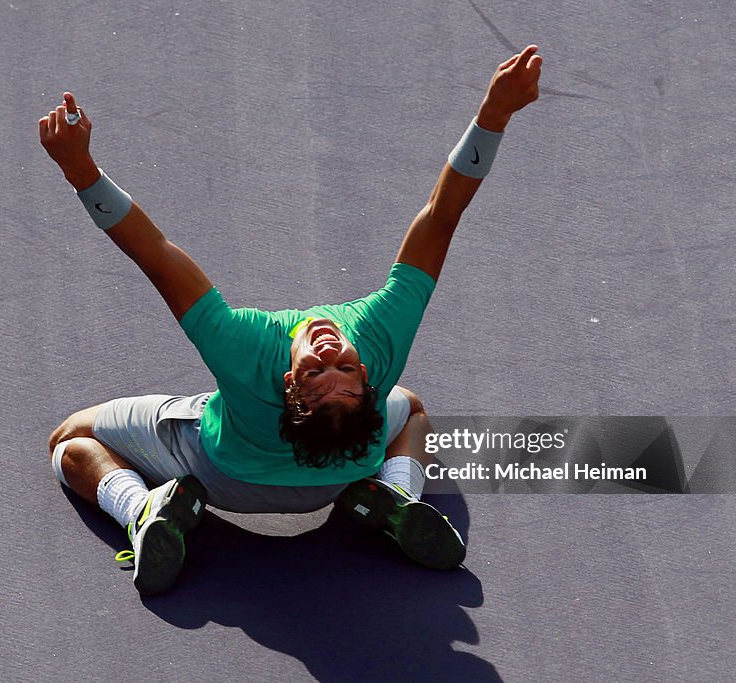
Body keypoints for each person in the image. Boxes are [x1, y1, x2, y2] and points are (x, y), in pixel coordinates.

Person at [40, 45, 542, 596]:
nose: (330, 353)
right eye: (345, 371)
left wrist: (79, 169)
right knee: (415, 409)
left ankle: (141, 511)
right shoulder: (379, 338)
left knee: (69, 441)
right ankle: (397, 494)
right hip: (337, 481)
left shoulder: (243, 346)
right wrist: (493, 117)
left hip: (221, 477)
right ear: (368, 379)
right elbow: (441, 215)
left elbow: (155, 252)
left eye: (316, 373)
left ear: (288, 382)